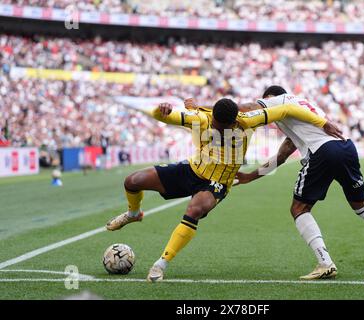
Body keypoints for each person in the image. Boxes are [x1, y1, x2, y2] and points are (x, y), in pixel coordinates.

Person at [105, 98, 343, 282]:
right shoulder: (200, 118)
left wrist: (323, 123)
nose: (218, 129)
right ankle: (134, 214)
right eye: (216, 125)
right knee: (132, 181)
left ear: (234, 121)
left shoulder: (248, 120)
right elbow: (165, 117)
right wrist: (162, 110)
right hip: (191, 169)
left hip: (217, 183)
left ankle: (161, 264)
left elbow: (288, 109)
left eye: (222, 127)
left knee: (195, 209)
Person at [235, 85, 364, 279]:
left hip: (323, 152)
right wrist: (250, 176)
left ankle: (325, 263)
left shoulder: (278, 100)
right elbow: (282, 156)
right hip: (345, 147)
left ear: (270, 98)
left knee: (299, 209)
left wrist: (213, 111)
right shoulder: (305, 110)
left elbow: (246, 109)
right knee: (363, 207)